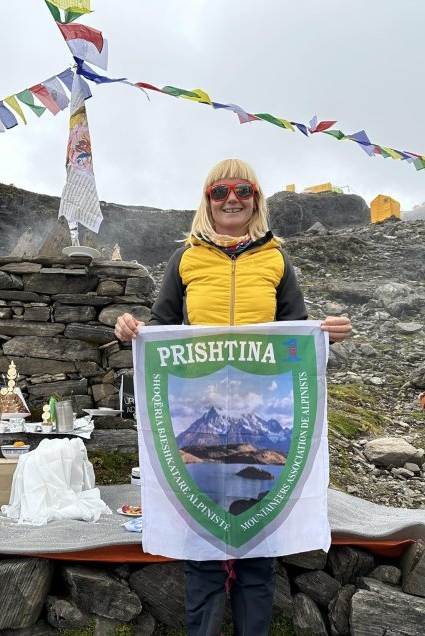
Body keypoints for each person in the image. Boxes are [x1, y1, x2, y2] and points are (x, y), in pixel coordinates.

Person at [114, 158, 352, 636]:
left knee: (258, 560)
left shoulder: (276, 259)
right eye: (220, 192)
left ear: (256, 200)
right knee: (201, 556)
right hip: (194, 391)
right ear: (207, 201)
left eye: (243, 190)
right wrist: (130, 329)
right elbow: (161, 326)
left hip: (262, 401)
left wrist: (328, 333)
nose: (231, 199)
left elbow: (297, 331)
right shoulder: (185, 259)